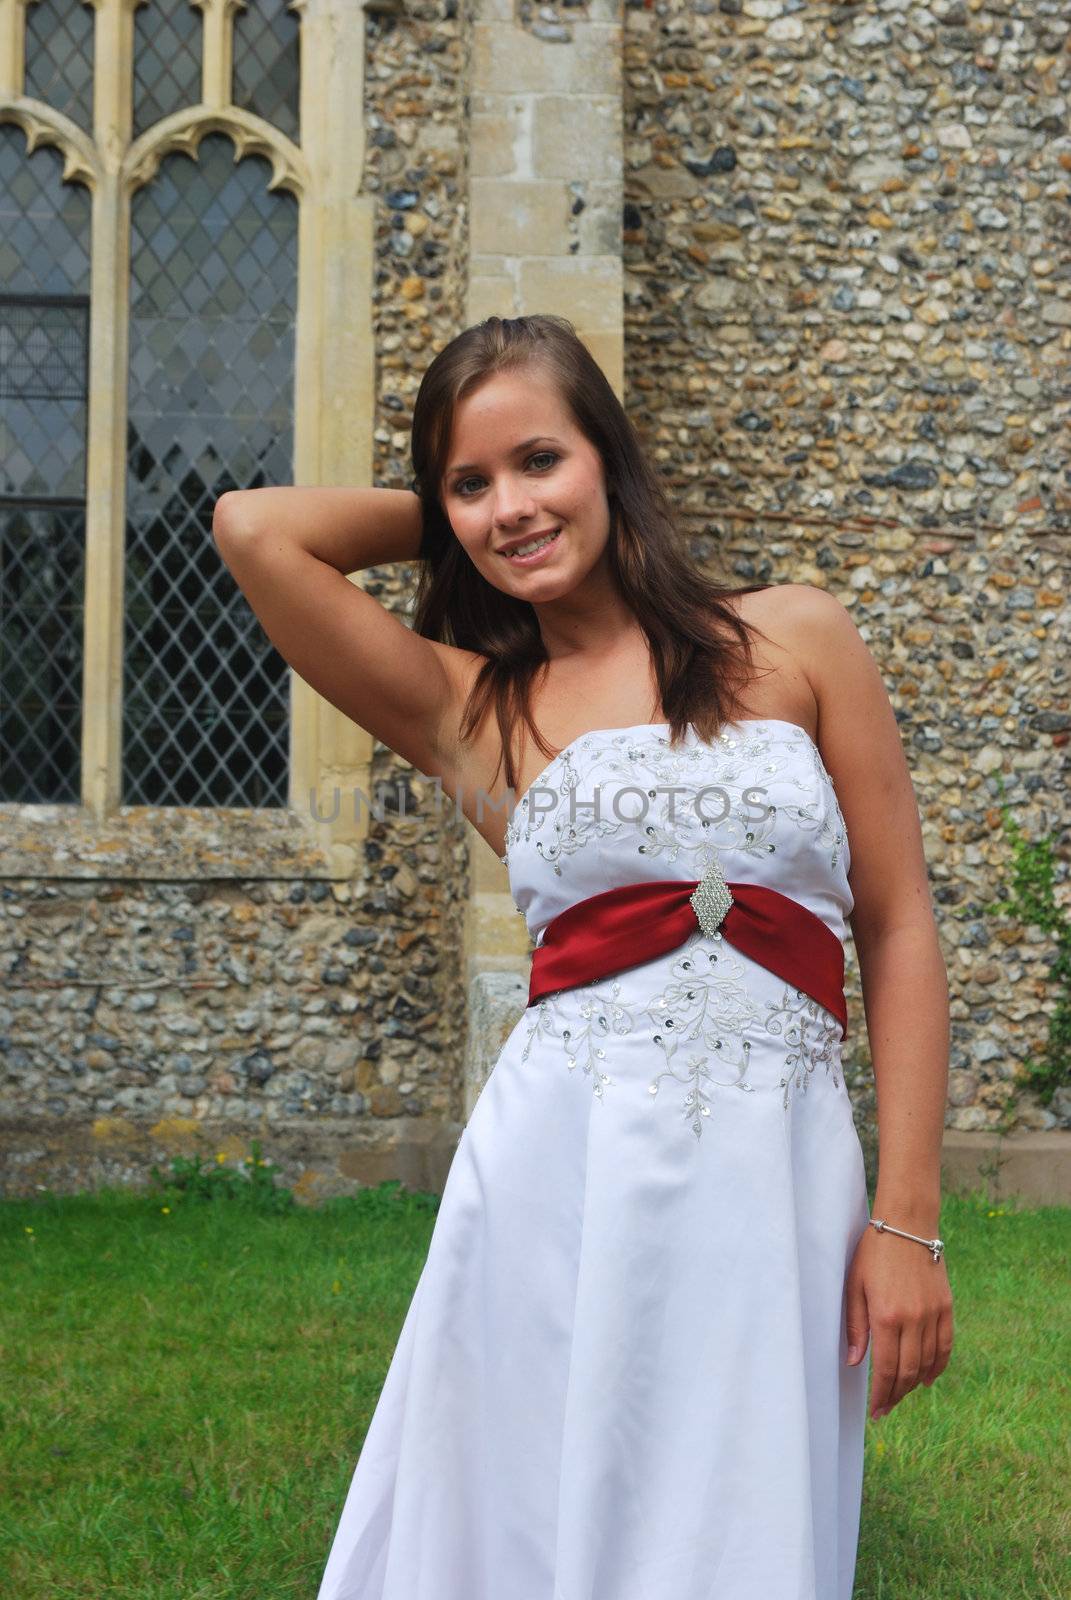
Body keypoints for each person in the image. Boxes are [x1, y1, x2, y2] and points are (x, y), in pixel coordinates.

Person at [213, 313, 954, 1600]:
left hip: (776, 1168)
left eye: (541, 460)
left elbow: (896, 928)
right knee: (524, 1516)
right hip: (558, 1168)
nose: (510, 507)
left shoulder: (798, 639)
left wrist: (909, 1220)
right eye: (471, 482)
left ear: (611, 455)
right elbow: (255, 531)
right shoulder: (472, 708)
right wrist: (455, 509)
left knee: (742, 1513)